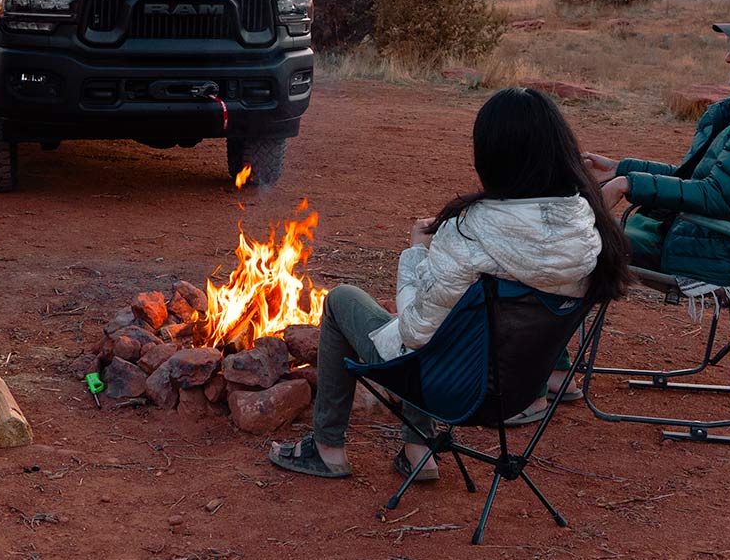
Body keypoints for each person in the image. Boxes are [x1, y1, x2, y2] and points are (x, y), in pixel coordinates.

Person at [267, 87, 631, 479]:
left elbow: (415, 331)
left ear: (490, 156)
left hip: (456, 391)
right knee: (451, 320)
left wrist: (417, 252)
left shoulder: (470, 234)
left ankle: (327, 449)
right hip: (521, 393)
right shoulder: (587, 226)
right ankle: (418, 450)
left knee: (346, 300)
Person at [590, 4, 730, 287]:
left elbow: (716, 195)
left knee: (573, 245)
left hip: (701, 252)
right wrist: (620, 169)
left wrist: (628, 184)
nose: (729, 58)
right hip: (692, 236)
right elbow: (700, 179)